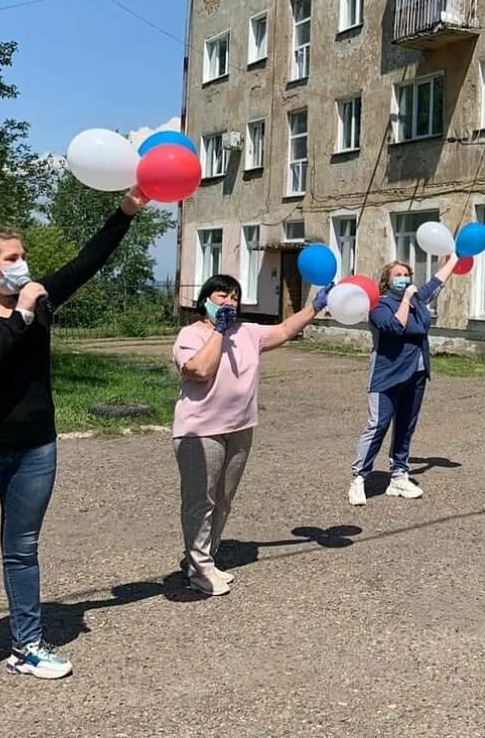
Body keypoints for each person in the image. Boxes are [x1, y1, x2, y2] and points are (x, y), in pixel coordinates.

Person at [0, 187, 149, 679]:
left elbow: (86, 262)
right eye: (13, 257)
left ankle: (26, 646)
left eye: (24, 255)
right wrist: (23, 316)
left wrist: (126, 211)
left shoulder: (36, 299)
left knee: (22, 550)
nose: (23, 264)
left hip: (35, 448)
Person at [172, 274, 332, 596]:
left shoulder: (248, 333)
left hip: (240, 428)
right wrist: (219, 330)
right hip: (200, 431)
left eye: (235, 297)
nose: (229, 302)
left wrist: (315, 306)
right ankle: (200, 569)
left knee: (223, 500)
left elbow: (285, 330)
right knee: (199, 501)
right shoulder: (190, 334)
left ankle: (204, 559)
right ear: (205, 299)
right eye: (222, 296)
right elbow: (200, 371)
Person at [347, 254, 459, 506]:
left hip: (416, 375)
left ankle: (399, 476)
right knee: (378, 425)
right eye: (397, 275)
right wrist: (406, 299)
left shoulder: (418, 300)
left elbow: (437, 281)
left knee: (406, 426)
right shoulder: (379, 305)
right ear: (387, 280)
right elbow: (394, 328)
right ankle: (359, 479)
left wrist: (456, 257)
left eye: (406, 275)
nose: (404, 279)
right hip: (386, 376)